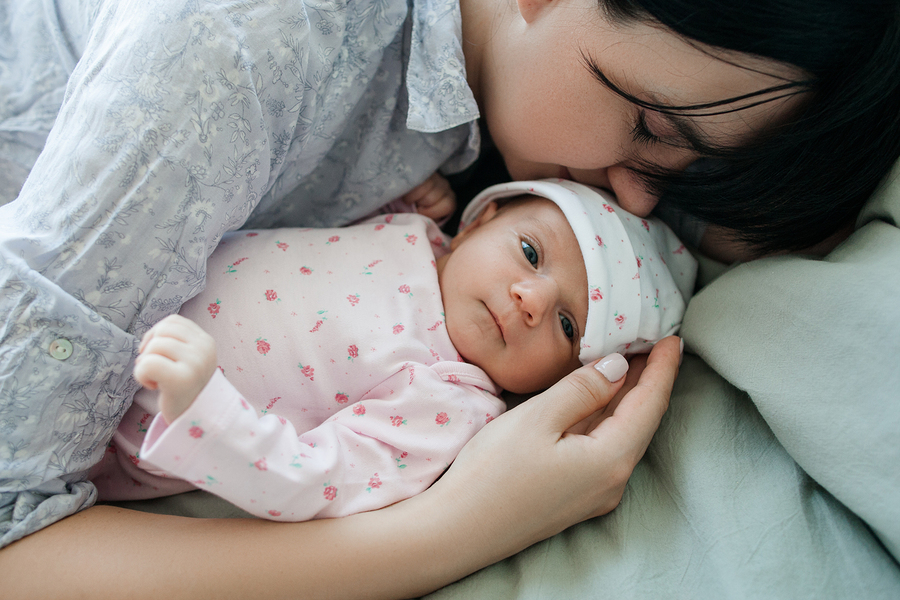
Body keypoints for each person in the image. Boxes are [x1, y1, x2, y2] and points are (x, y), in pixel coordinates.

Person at [1, 0, 897, 595]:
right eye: (650, 128)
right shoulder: (245, 42)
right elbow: (15, 542)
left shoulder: (506, 127)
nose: (634, 204)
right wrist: (452, 531)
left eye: (693, 179)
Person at [91, 179, 697, 521]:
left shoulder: (452, 403)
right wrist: (401, 200)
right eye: (532, 254)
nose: (531, 299)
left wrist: (207, 410)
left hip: (124, 416)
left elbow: (319, 481)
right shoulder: (414, 232)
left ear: (555, 381)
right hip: (113, 291)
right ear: (480, 218)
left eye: (568, 325)